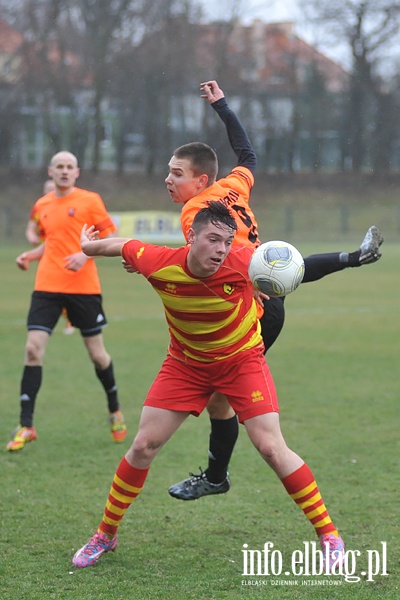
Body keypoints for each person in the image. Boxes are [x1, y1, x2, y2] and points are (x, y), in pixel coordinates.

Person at [72, 201, 346, 570]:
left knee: (270, 447)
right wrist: (87, 245)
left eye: (227, 241)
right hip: (185, 366)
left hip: (242, 362)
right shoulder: (156, 260)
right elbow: (117, 246)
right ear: (191, 236)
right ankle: (105, 534)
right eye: (213, 239)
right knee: (142, 445)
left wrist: (283, 279)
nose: (220, 249)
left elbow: (292, 268)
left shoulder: (246, 261)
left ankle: (329, 535)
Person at [164, 80, 384, 501]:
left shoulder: (196, 211)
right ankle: (216, 476)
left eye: (177, 174)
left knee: (235, 409)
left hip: (252, 307)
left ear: (200, 180)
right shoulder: (234, 186)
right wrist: (223, 107)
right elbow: (247, 153)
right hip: (264, 299)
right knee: (219, 401)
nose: (168, 180)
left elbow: (214, 258)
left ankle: (218, 477)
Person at [6, 151, 127, 451]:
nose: (63, 171)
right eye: (58, 166)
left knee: (98, 356)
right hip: (46, 286)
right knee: (33, 350)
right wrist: (29, 256)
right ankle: (26, 425)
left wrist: (85, 254)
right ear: (50, 171)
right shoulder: (42, 204)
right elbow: (51, 242)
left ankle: (115, 410)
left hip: (83, 288)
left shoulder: (90, 200)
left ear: (77, 172)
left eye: (69, 166)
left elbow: (112, 236)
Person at [26, 178, 75, 335]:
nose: (49, 191)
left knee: (63, 289)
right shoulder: (40, 206)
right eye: (46, 188)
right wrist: (31, 237)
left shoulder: (67, 207)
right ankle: (47, 323)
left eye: (51, 188)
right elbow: (30, 228)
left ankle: (70, 318)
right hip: (45, 256)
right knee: (47, 290)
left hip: (63, 256)